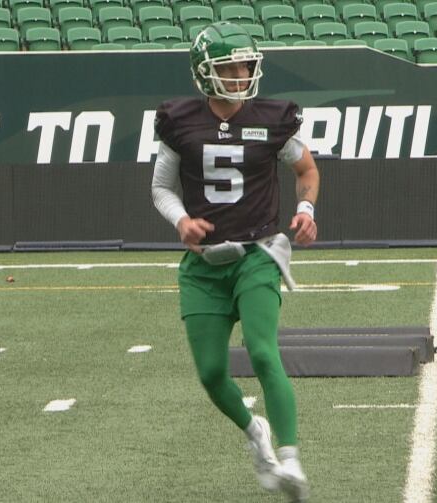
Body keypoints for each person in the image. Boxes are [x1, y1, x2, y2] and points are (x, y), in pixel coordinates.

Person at [151, 21, 319, 503]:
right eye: (230, 65)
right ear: (205, 73)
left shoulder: (273, 116)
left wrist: (305, 210)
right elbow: (161, 188)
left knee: (263, 352)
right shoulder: (180, 120)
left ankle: (290, 460)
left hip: (258, 254)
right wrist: (182, 221)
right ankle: (256, 432)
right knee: (209, 373)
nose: (242, 73)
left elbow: (306, 169)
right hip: (204, 265)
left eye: (245, 64)